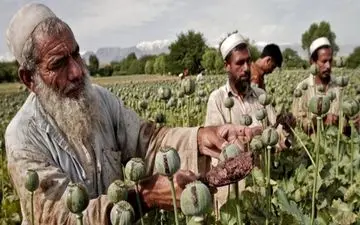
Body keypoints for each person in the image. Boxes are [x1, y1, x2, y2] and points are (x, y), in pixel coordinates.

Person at [4, 3, 262, 225]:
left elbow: (148, 142)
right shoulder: (23, 137)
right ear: (30, 79)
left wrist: (201, 137)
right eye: (58, 63)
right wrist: (144, 197)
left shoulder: (99, 100)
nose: (76, 71)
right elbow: (61, 217)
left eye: (76, 54)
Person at [204, 32, 294, 214]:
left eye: (248, 61)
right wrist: (249, 137)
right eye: (239, 63)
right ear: (227, 66)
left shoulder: (261, 96)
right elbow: (216, 148)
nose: (246, 68)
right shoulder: (217, 99)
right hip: (230, 196)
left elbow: (276, 137)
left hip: (260, 191)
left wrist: (286, 133)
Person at [291, 37, 341, 133]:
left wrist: (339, 120)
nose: (328, 66)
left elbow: (345, 117)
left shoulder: (339, 86)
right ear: (312, 62)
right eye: (324, 61)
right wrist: (320, 121)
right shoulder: (302, 88)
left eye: (330, 61)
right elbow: (297, 122)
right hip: (312, 144)